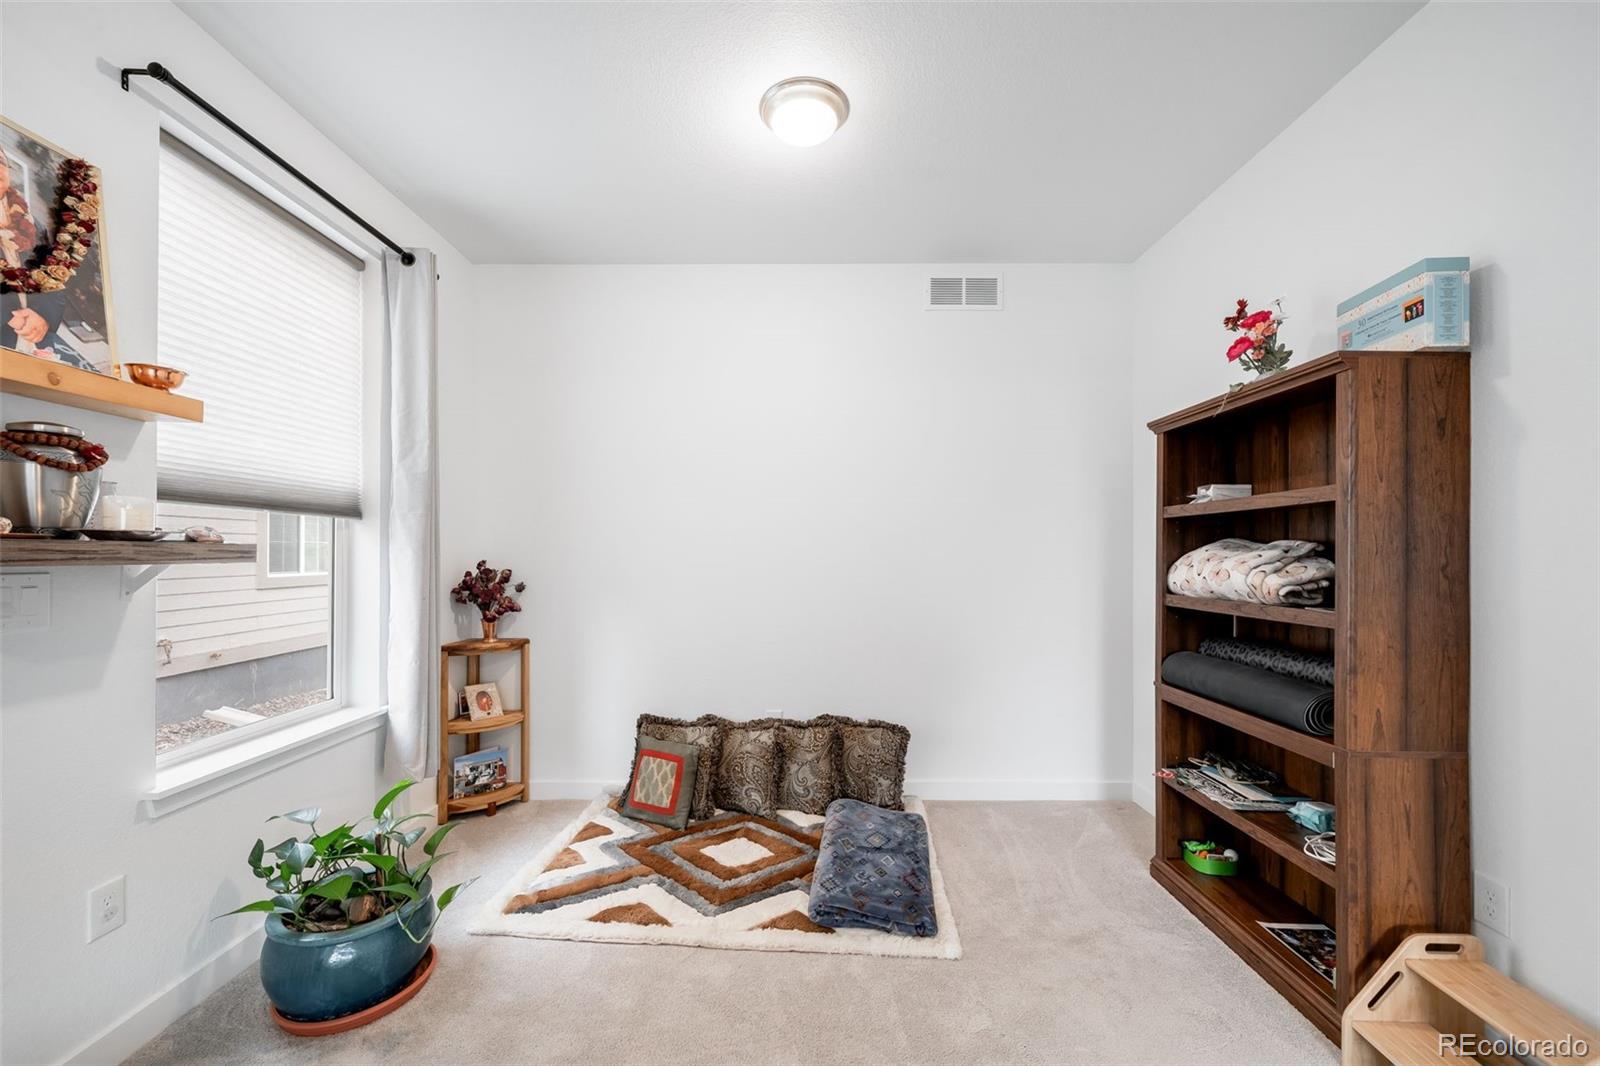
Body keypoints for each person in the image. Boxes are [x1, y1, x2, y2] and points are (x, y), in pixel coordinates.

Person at [0, 141, 94, 369]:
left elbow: (56, 282)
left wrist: (43, 318)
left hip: (40, 340)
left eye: (1, 162)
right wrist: (10, 315)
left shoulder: (34, 226)